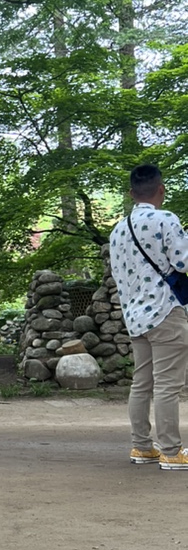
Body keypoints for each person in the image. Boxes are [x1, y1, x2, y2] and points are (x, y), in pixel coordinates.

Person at [109, 163, 188, 469]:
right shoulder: (166, 219)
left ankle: (142, 446)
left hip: (135, 317)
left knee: (141, 383)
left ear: (131, 193)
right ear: (161, 189)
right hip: (166, 312)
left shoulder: (118, 230)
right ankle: (171, 450)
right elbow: (183, 262)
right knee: (168, 384)